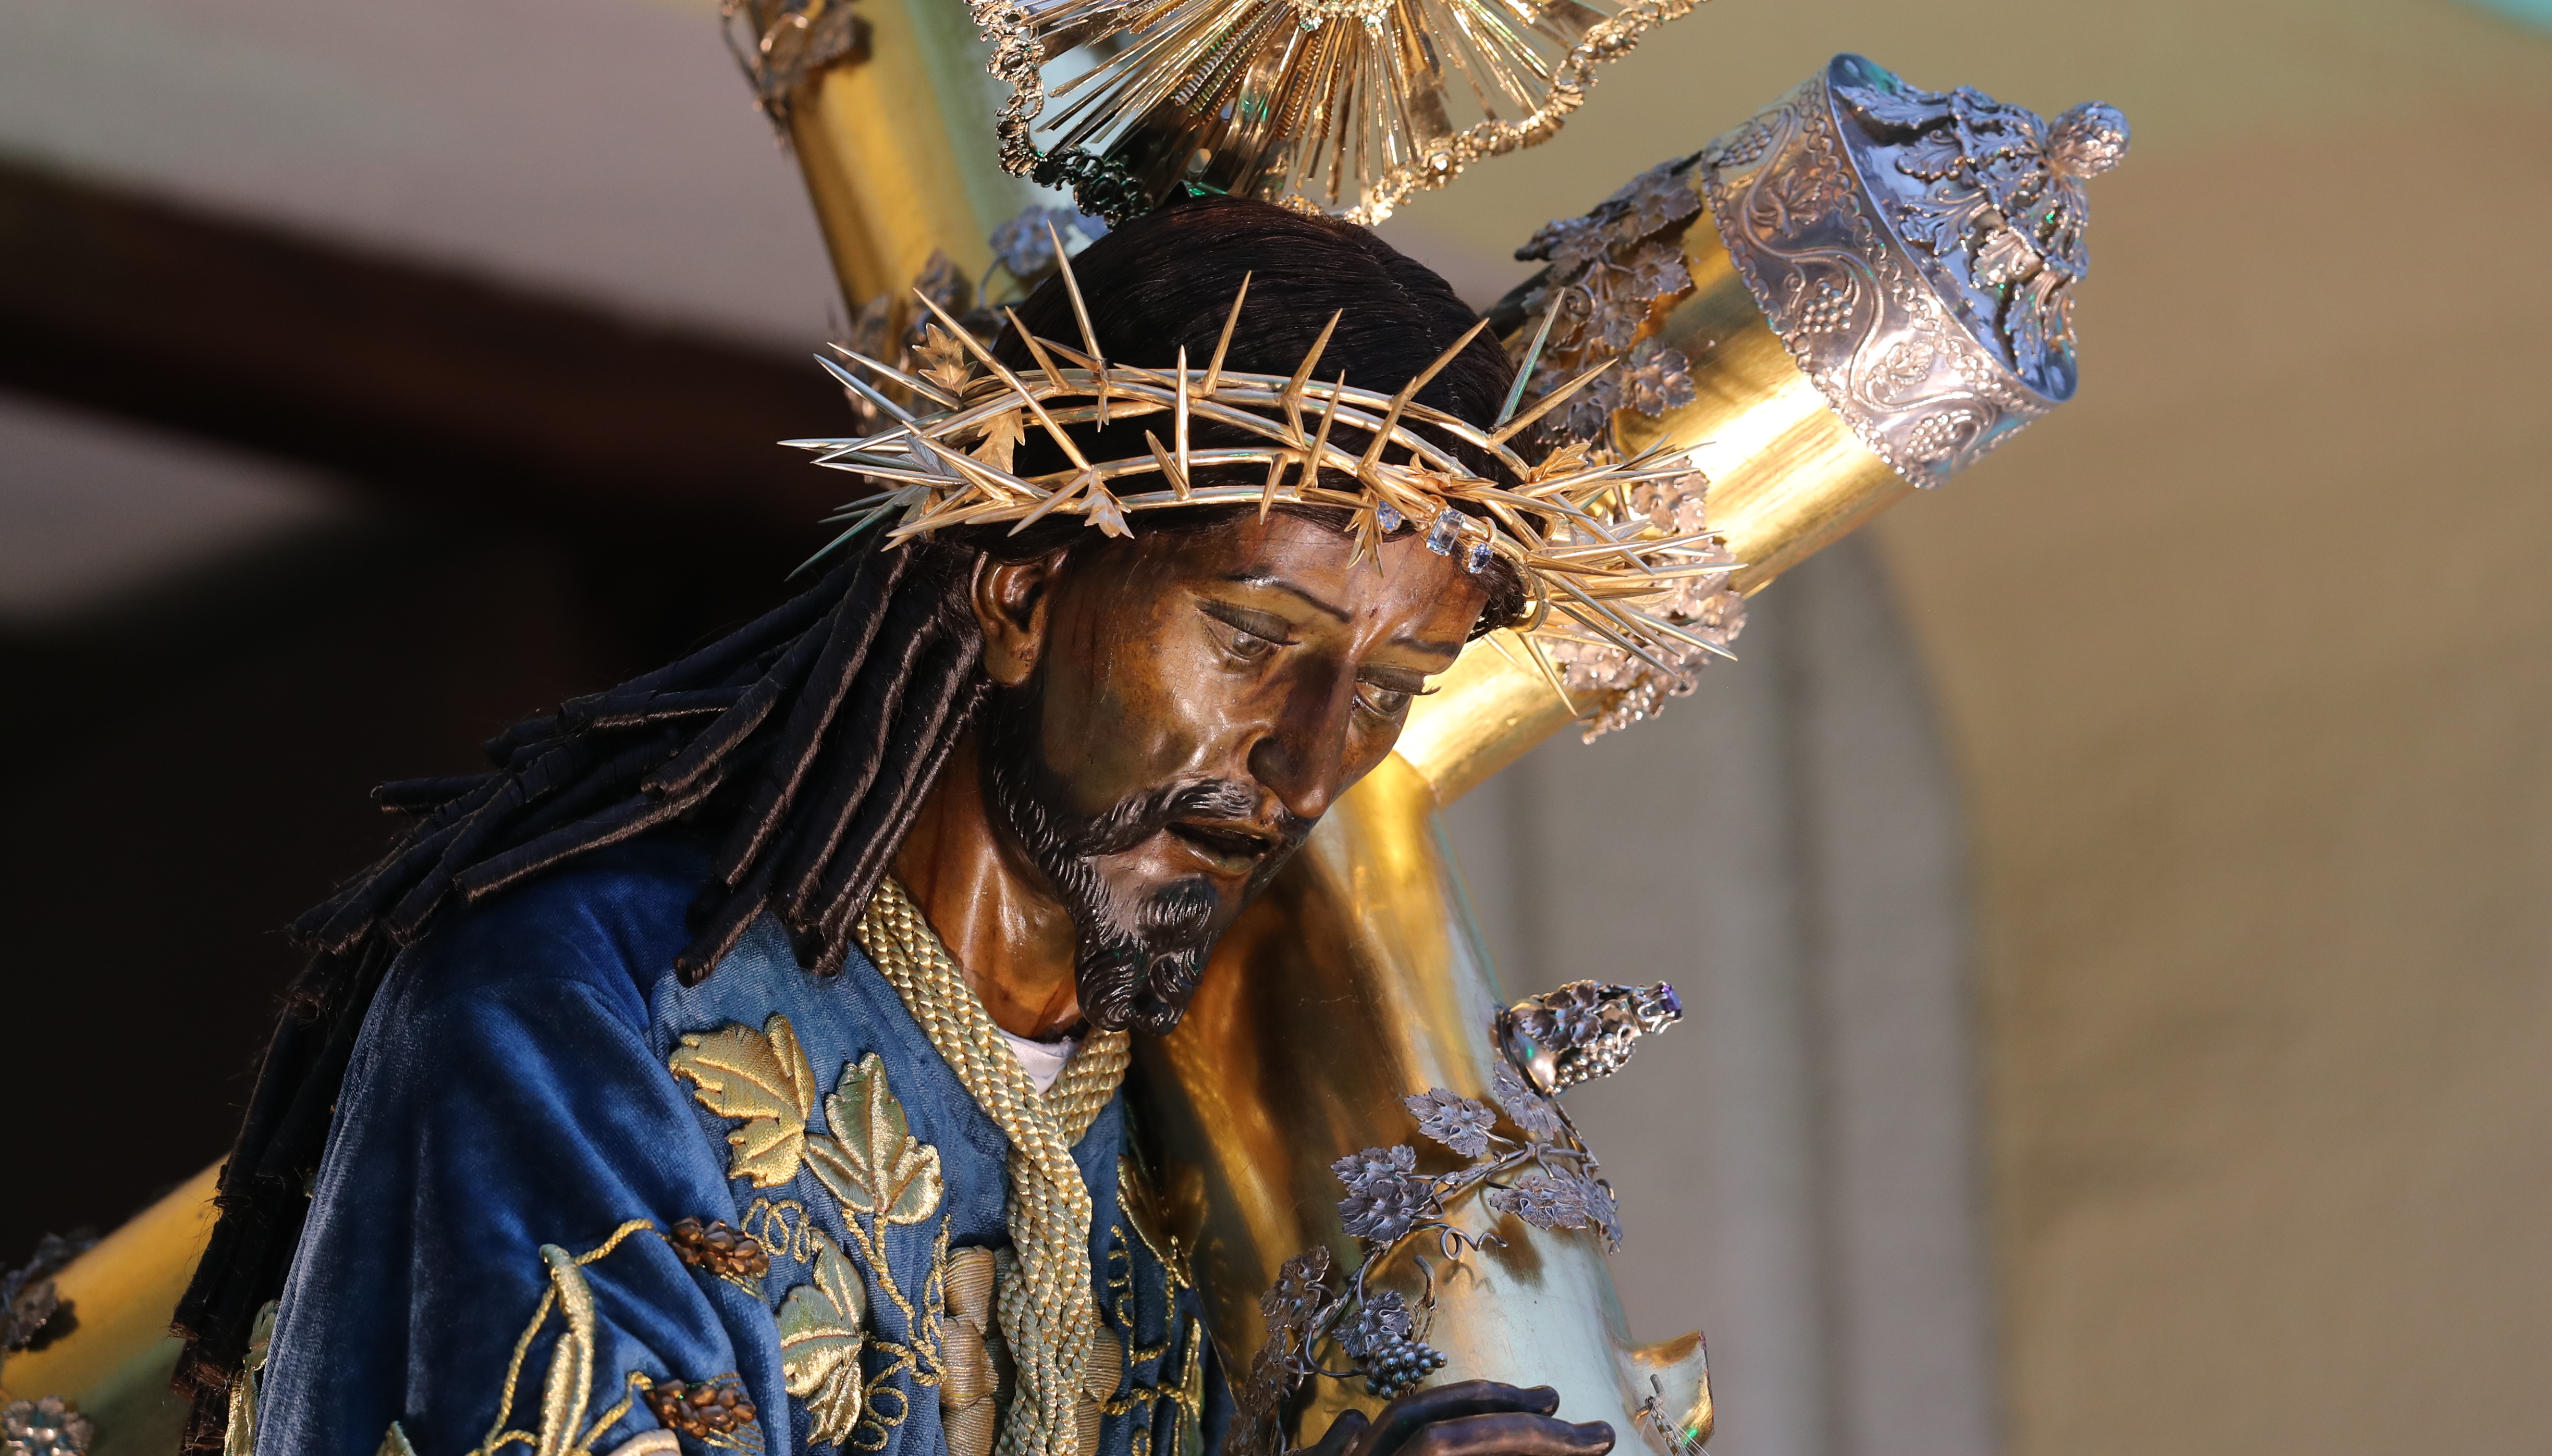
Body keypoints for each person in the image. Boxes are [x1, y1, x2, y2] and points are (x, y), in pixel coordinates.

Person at [170, 201, 1639, 1456]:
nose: (1310, 769)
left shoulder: (1188, 1126)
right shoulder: (596, 1009)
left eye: (1389, 688)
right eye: (1252, 641)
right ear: (1019, 594)